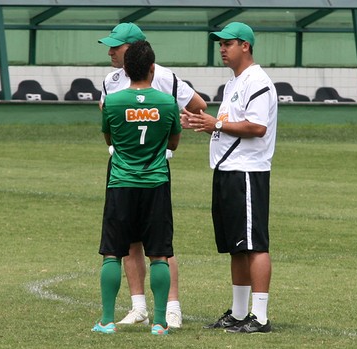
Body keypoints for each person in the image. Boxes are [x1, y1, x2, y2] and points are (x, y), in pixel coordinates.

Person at [98, 22, 207, 329]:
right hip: (122, 167)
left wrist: (172, 129)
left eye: (115, 47)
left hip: (155, 168)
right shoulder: (111, 81)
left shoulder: (166, 78)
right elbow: (106, 113)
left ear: (133, 50)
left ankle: (172, 307)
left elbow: (198, 106)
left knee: (159, 245)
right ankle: (138, 307)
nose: (110, 51)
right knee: (131, 242)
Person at [181, 22, 277, 334]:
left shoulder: (257, 81)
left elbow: (257, 126)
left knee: (255, 244)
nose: (222, 48)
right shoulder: (234, 83)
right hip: (227, 169)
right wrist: (205, 123)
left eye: (228, 43)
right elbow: (228, 122)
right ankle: (238, 314)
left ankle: (259, 316)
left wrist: (216, 125)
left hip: (247, 171)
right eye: (220, 43)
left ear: (245, 46)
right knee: (237, 246)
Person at [92, 40, 181, 336]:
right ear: (152, 69)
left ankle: (106, 320)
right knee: (158, 253)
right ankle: (159, 322)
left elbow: (109, 139)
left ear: (126, 69)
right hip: (155, 183)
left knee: (112, 253)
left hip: (121, 183)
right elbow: (173, 142)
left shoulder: (113, 102)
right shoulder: (167, 103)